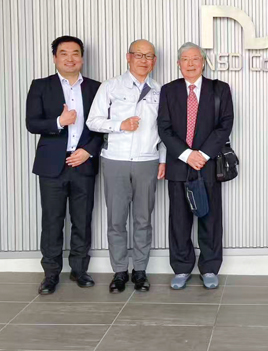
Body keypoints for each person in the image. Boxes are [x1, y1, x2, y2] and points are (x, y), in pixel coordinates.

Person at [86, 39, 166, 293]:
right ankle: (119, 271)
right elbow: (93, 121)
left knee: (143, 219)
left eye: (149, 56)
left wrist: (162, 159)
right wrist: (119, 125)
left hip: (147, 161)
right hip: (115, 160)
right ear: (128, 57)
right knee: (116, 220)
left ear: (154, 61)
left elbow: (164, 130)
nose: (144, 60)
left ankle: (140, 271)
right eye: (138, 55)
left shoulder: (159, 90)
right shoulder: (110, 87)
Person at [26, 36, 103, 295]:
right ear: (55, 58)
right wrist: (60, 121)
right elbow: (32, 123)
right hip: (52, 165)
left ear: (82, 58)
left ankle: (79, 270)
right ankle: (50, 274)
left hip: (83, 163)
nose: (70, 58)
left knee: (82, 219)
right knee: (52, 221)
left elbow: (102, 127)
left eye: (75, 53)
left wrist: (88, 151)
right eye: (64, 53)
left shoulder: (96, 88)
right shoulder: (41, 86)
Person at [157, 42, 234, 290]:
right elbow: (164, 127)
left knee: (210, 218)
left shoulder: (219, 89)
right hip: (179, 163)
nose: (190, 64)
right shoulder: (169, 90)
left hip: (208, 163)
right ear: (178, 63)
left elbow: (225, 124)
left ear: (203, 62)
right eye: (185, 59)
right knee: (179, 219)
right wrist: (186, 154)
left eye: (195, 59)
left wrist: (202, 154)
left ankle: (209, 268)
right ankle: (181, 268)